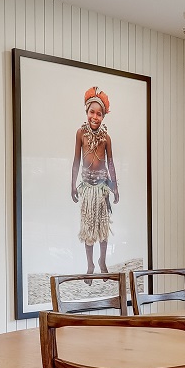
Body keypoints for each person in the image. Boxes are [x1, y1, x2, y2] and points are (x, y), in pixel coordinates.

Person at [69, 86, 119, 274]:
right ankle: (90, 264)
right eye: (92, 112)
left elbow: (111, 163)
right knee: (89, 228)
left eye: (99, 114)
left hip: (102, 188)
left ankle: (102, 261)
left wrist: (115, 187)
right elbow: (76, 160)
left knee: (103, 228)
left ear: (103, 116)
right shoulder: (80, 134)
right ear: (86, 111)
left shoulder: (106, 138)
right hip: (88, 189)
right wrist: (72, 184)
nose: (95, 117)